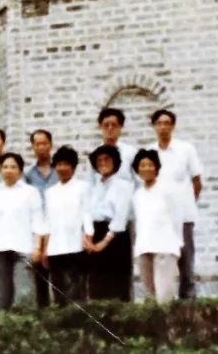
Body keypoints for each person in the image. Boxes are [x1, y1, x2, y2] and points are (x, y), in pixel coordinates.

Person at [148, 108, 203, 299]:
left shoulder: (186, 149)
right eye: (159, 123)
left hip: (183, 216)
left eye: (167, 123)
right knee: (163, 261)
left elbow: (197, 182)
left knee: (186, 260)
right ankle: (165, 301)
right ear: (154, 126)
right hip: (160, 218)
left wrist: (185, 204)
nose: (163, 127)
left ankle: (188, 301)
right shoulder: (149, 152)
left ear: (172, 126)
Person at [0, 152, 46, 310]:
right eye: (5, 167)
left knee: (24, 294)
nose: (9, 170)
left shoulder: (30, 192)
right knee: (4, 296)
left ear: (20, 170)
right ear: (0, 170)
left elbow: (37, 220)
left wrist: (38, 246)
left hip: (24, 248)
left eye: (13, 167)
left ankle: (27, 331)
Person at [42, 146, 93, 305]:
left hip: (76, 246)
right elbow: (48, 221)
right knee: (58, 293)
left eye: (66, 164)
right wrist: (45, 248)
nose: (62, 168)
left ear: (73, 166)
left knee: (76, 292)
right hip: (55, 249)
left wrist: (88, 236)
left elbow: (87, 213)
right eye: (58, 164)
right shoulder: (50, 192)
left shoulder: (82, 187)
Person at [130, 149, 181, 302]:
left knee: (164, 297)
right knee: (150, 297)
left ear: (157, 167)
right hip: (144, 248)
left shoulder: (167, 191)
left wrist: (176, 245)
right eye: (142, 165)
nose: (146, 169)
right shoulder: (137, 195)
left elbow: (177, 218)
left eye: (150, 165)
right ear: (137, 169)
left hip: (164, 247)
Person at [85, 144, 134, 301]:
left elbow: (121, 216)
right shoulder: (94, 187)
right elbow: (87, 212)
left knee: (116, 285)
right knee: (97, 284)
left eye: (107, 159)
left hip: (115, 237)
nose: (103, 163)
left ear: (115, 162)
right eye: (99, 160)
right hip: (95, 233)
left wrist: (104, 242)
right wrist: (88, 238)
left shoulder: (124, 186)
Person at [24, 129, 56, 308]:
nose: (41, 147)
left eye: (44, 143)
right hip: (36, 231)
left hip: (57, 229)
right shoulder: (28, 175)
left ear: (50, 145)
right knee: (39, 277)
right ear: (33, 147)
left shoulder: (60, 170)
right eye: (37, 144)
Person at [96, 108, 138, 184]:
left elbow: (138, 181)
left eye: (114, 125)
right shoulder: (94, 154)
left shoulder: (131, 152)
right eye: (106, 125)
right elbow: (90, 183)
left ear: (120, 127)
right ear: (100, 126)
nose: (110, 128)